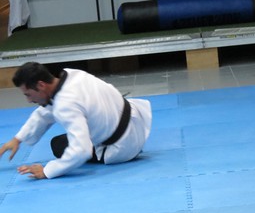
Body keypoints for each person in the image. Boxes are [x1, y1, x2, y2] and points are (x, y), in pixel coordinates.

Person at [0, 62, 152, 179]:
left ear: (41, 85)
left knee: (58, 145)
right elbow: (46, 111)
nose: (28, 100)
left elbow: (81, 150)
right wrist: (18, 139)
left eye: (28, 94)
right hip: (137, 124)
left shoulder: (65, 105)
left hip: (122, 148)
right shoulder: (72, 75)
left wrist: (47, 171)